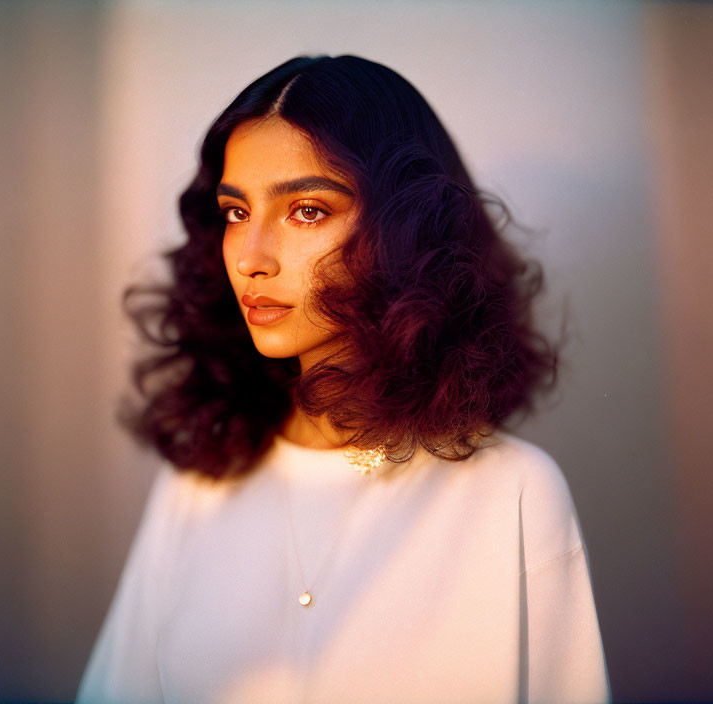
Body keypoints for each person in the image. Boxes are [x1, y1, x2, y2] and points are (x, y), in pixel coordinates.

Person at [76, 55, 610, 703]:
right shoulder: (200, 485)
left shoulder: (514, 494)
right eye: (236, 212)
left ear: (405, 231)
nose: (251, 258)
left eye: (305, 211)